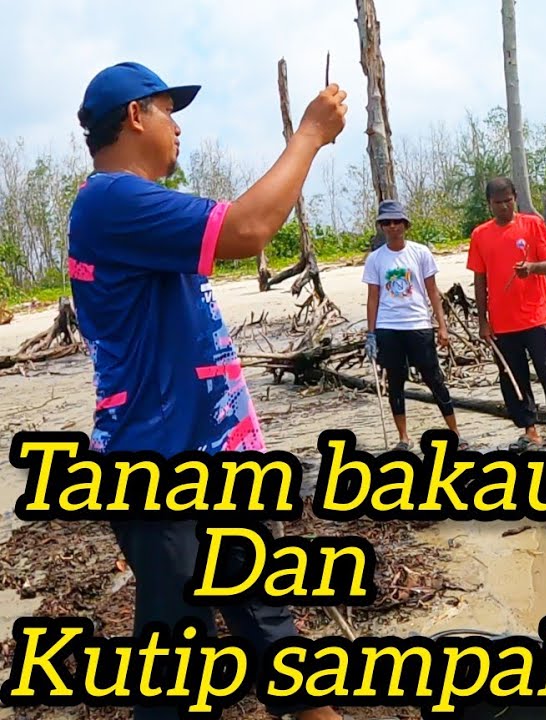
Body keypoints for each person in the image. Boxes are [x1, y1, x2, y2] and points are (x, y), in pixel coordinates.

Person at [67, 62, 347, 720]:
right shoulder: (111, 200)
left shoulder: (138, 211)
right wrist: (308, 134)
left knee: (273, 633)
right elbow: (248, 228)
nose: (178, 128)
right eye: (169, 112)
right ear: (136, 116)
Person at [468, 177, 546, 453]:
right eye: (498, 203)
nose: (504, 207)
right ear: (489, 204)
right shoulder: (480, 234)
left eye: (508, 200)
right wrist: (483, 320)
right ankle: (529, 431)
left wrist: (530, 267)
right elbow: (480, 279)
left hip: (534, 315)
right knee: (512, 376)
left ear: (515, 198)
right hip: (502, 321)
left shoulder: (532, 224)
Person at [362, 199, 466, 451]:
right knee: (395, 382)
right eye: (386, 222)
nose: (392, 226)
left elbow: (432, 292)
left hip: (418, 324)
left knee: (434, 379)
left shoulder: (420, 253)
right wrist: (371, 334)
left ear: (405, 224)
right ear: (381, 226)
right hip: (389, 327)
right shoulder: (375, 259)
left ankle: (455, 432)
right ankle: (403, 438)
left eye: (397, 221)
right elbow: (373, 297)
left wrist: (441, 326)